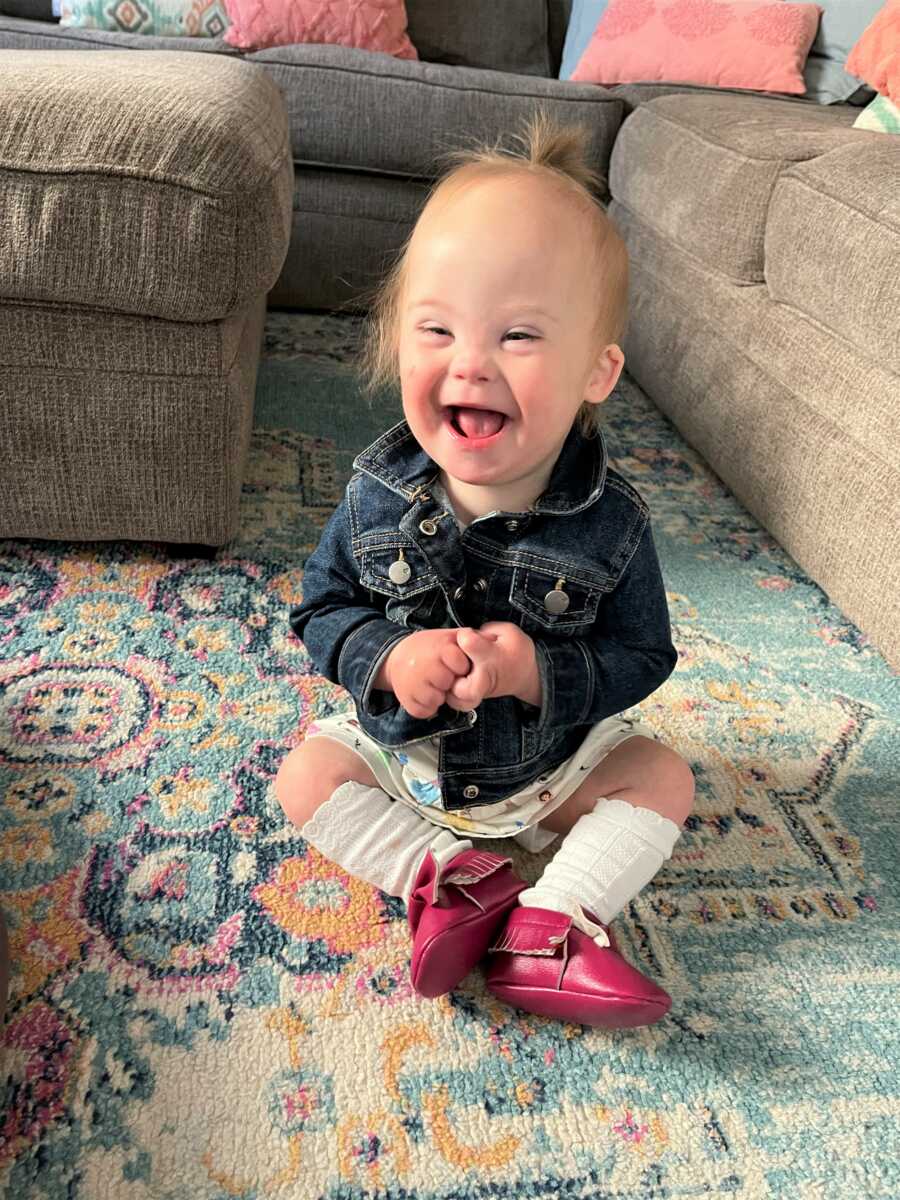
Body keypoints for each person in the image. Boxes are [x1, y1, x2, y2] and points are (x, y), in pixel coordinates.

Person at [275, 112, 695, 1028]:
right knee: (303, 776)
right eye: (436, 330)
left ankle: (550, 924)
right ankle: (452, 881)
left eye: (517, 337)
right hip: (410, 767)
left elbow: (644, 655)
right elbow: (320, 609)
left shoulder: (612, 522)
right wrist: (387, 658)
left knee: (663, 777)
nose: (470, 362)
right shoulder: (377, 492)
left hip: (546, 767)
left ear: (598, 369)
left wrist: (536, 672)